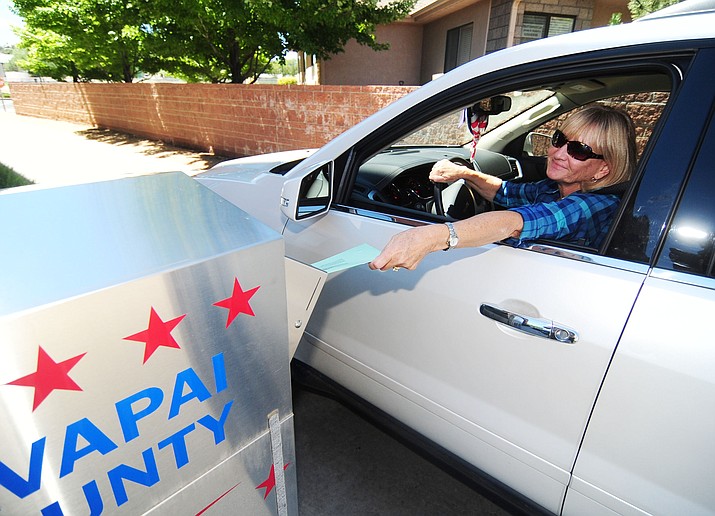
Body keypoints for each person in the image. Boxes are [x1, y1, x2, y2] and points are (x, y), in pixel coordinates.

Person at [369, 104, 637, 271]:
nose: (557, 153)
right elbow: (504, 192)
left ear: (604, 169)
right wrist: (464, 173)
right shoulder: (554, 188)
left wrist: (431, 237)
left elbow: (516, 222)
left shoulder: (592, 206)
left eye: (579, 150)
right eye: (559, 140)